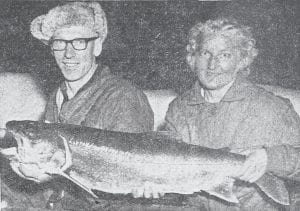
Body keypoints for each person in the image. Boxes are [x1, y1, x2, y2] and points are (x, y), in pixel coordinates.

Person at [3, 2, 154, 210]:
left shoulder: (123, 97)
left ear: (98, 45)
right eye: (60, 43)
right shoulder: (57, 96)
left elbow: (121, 185)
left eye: (80, 42)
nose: (68, 53)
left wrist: (47, 176)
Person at [164, 18, 300, 210]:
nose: (212, 64)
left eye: (225, 55)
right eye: (205, 53)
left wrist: (271, 158)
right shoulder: (179, 109)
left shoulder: (269, 108)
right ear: (192, 57)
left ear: (242, 61)